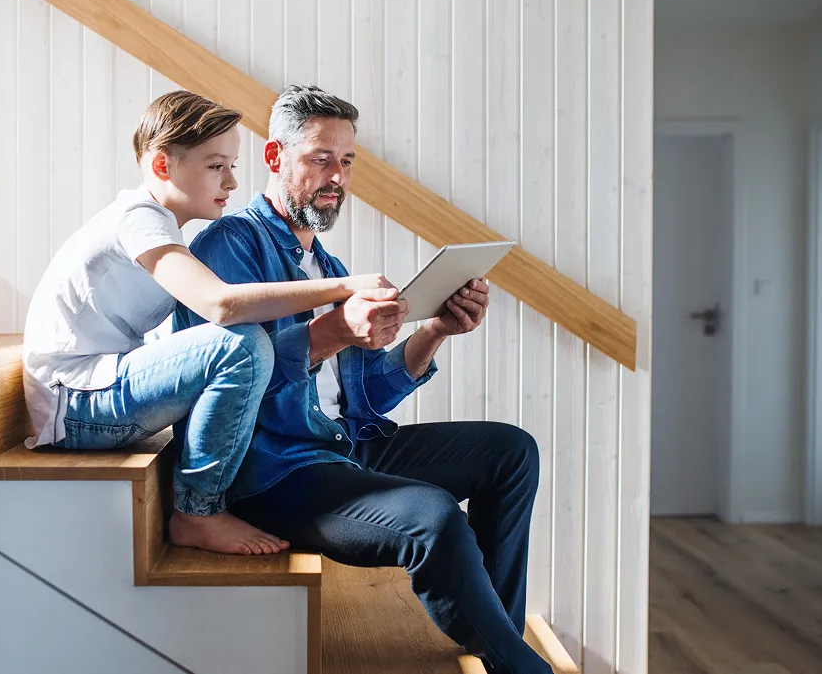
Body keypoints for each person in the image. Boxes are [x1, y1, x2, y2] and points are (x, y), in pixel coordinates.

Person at [173, 85, 552, 674]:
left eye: (347, 162)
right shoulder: (228, 245)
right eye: (320, 158)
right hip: (277, 471)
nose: (337, 177)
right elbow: (226, 379)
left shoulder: (328, 267)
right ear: (275, 158)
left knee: (510, 450)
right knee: (431, 516)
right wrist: (336, 332)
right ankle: (522, 664)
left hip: (347, 446)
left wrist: (434, 332)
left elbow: (364, 396)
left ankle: (497, 638)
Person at [21, 90, 391, 557]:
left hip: (93, 393)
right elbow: (221, 305)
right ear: (162, 167)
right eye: (217, 166)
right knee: (241, 344)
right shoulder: (139, 219)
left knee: (239, 344)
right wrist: (343, 287)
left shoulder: (161, 227)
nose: (233, 182)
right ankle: (198, 511)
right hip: (75, 406)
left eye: (233, 165)